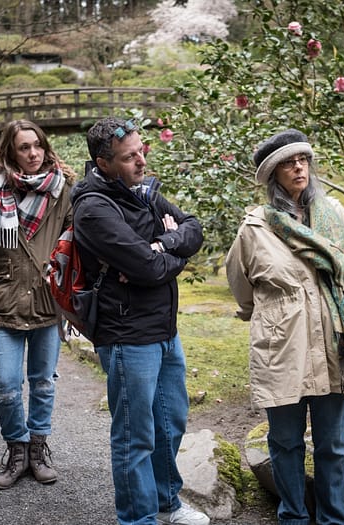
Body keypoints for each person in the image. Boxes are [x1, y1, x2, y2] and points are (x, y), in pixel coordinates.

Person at [225, 129, 344, 525]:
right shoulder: (256, 227)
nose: (298, 168)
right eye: (288, 163)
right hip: (282, 345)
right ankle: (293, 517)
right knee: (285, 442)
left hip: (335, 343)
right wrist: (281, 309)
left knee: (334, 443)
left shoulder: (334, 214)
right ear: (273, 175)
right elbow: (241, 287)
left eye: (303, 160)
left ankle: (334, 519)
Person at [73, 116, 208, 525]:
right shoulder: (93, 208)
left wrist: (164, 245)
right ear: (104, 162)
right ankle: (137, 518)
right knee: (136, 433)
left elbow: (193, 230)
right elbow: (147, 268)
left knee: (171, 422)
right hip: (126, 334)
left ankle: (167, 503)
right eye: (129, 157)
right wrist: (168, 256)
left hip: (164, 329)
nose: (141, 161)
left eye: (141, 151)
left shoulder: (144, 192)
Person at [0, 120, 75, 490]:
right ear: (10, 151)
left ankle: (38, 450)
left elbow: (75, 243)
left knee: (43, 382)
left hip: (46, 300)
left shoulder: (61, 189)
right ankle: (17, 449)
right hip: (3, 300)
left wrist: (70, 290)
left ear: (45, 147)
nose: (32, 153)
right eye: (24, 147)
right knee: (6, 385)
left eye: (37, 145)